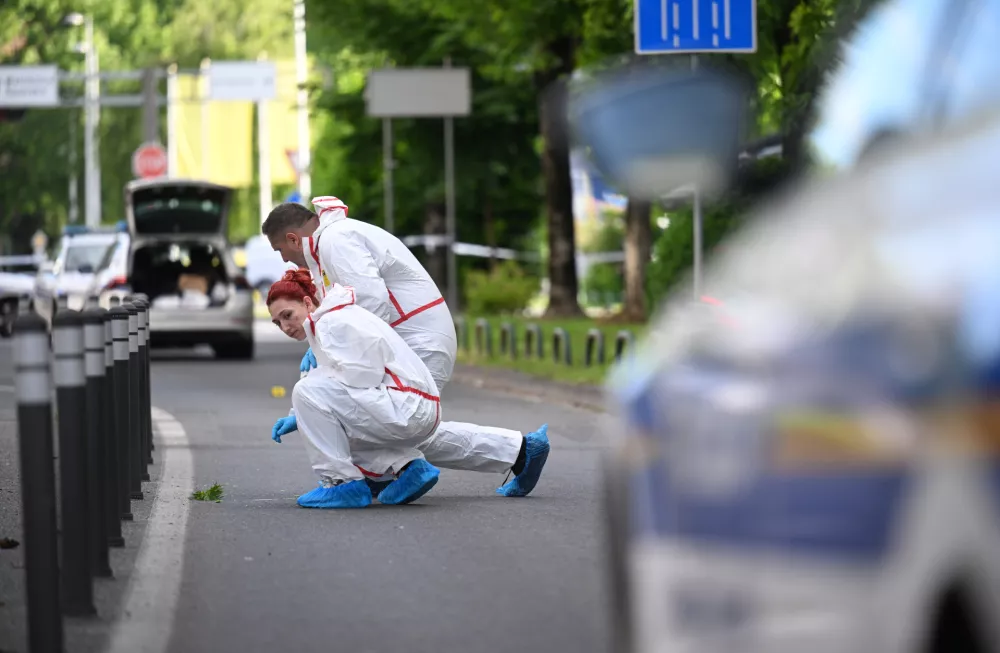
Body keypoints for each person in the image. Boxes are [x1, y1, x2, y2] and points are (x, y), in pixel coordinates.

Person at [262, 197, 550, 497]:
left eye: (280, 250)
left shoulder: (336, 241)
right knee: (393, 420)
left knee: (398, 423)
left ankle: (403, 467)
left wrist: (330, 355)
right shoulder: (333, 241)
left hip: (417, 340)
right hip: (412, 337)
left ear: (293, 239)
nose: (283, 260)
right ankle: (514, 452)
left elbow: (371, 302)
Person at [268, 269, 445, 508]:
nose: (286, 326)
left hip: (408, 406)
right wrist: (300, 415)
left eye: (287, 315)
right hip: (414, 406)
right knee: (324, 415)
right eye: (278, 323)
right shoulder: (334, 318)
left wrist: (309, 401)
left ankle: (341, 483)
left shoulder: (332, 322)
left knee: (306, 393)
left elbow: (364, 375)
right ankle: (409, 468)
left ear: (307, 303)